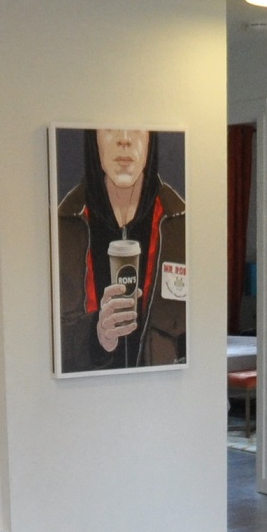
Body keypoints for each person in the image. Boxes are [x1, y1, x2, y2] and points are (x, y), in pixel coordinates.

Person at [56, 128, 187, 372]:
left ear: (150, 139)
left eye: (137, 129)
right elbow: (44, 339)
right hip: (84, 392)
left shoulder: (181, 224)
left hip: (163, 390)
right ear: (93, 138)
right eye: (110, 128)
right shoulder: (63, 225)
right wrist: (97, 335)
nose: (124, 139)